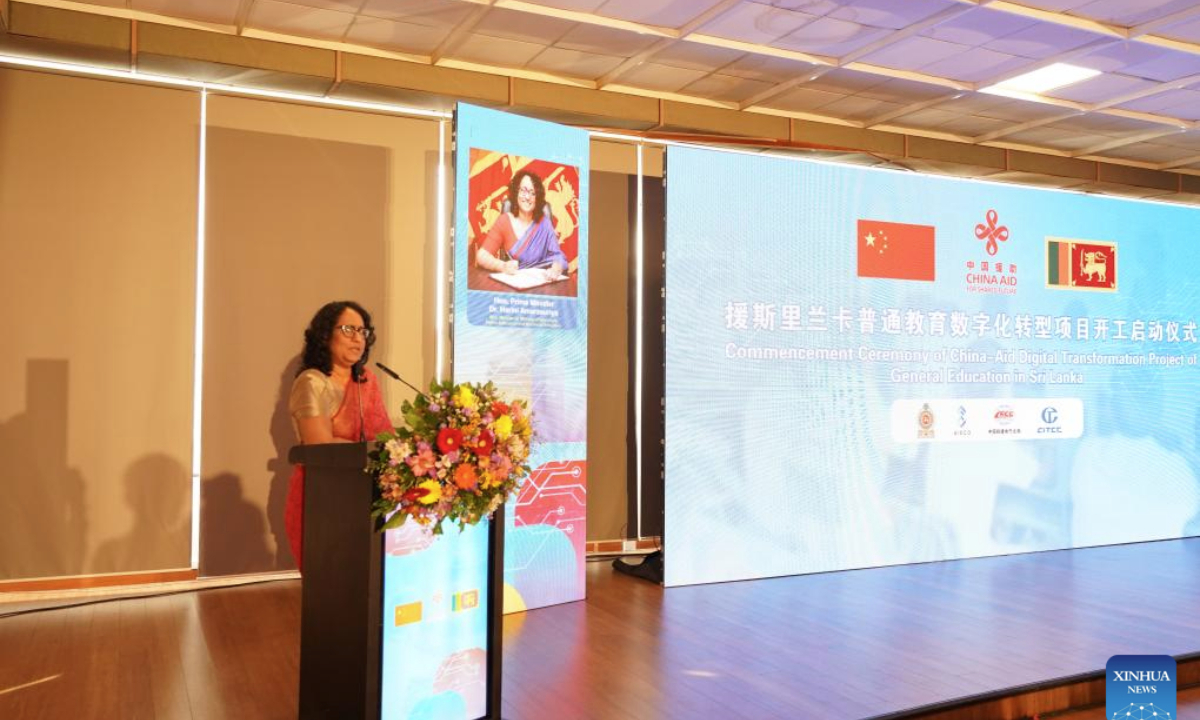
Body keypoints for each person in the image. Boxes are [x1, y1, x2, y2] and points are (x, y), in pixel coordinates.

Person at [285, 300, 393, 571]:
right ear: (325, 335)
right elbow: (320, 446)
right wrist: (371, 452)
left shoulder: (367, 380)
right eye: (348, 329)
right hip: (323, 496)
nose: (358, 338)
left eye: (363, 331)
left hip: (367, 493)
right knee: (330, 579)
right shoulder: (312, 382)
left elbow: (385, 437)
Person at [475, 169, 569, 281]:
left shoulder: (545, 223)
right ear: (516, 193)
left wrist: (556, 268)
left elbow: (558, 256)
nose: (527, 197)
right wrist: (503, 266)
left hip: (543, 284)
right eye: (523, 191)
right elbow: (481, 256)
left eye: (532, 193)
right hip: (516, 287)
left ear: (537, 198)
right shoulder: (504, 221)